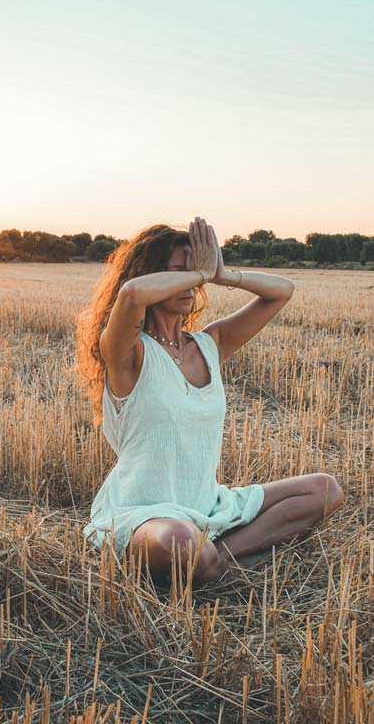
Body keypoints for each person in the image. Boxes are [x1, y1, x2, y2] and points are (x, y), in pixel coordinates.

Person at [76, 217, 345, 586]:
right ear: (154, 276)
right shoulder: (127, 352)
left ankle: (218, 561)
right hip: (144, 516)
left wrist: (219, 273)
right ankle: (220, 560)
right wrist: (199, 273)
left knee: (326, 489)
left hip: (209, 504)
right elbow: (132, 295)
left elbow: (282, 290)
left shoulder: (209, 344)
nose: (192, 281)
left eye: (195, 269)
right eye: (179, 271)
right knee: (181, 541)